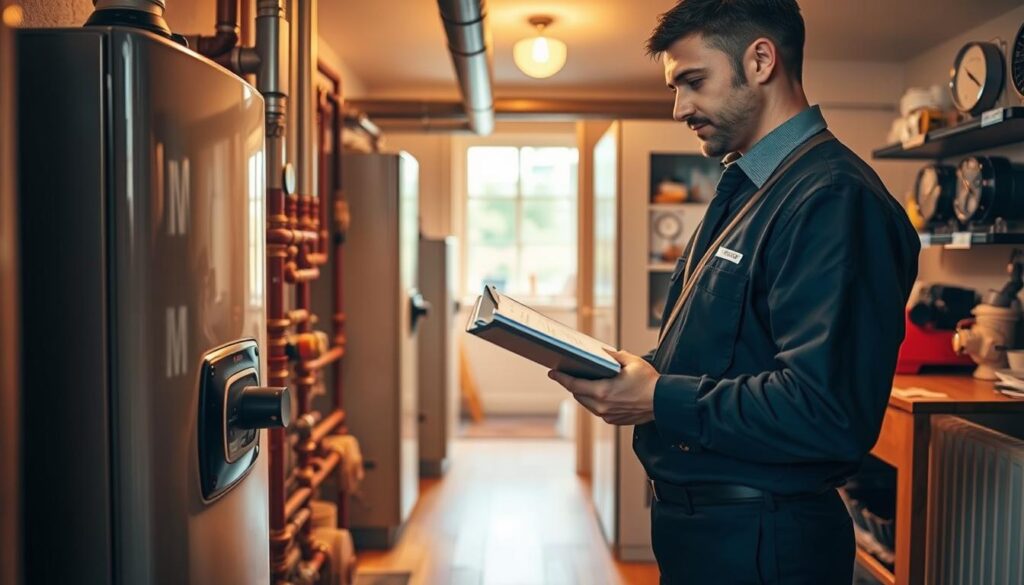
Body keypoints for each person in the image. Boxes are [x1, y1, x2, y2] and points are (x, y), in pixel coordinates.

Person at [547, 0, 920, 583]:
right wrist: (638, 372)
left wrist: (658, 398)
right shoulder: (752, 186)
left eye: (693, 81)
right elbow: (735, 349)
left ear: (761, 60)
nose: (679, 108)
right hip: (714, 536)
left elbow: (827, 411)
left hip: (763, 543)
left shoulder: (831, 199)